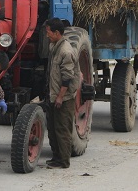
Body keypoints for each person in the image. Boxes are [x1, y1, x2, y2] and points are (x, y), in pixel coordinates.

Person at [44, 18, 80, 169]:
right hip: (54, 95)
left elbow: (67, 78)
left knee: (62, 129)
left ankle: (64, 161)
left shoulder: (66, 51)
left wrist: (60, 97)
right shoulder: (54, 46)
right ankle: (56, 157)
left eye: (48, 32)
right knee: (52, 129)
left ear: (57, 33)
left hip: (63, 98)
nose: (47, 35)